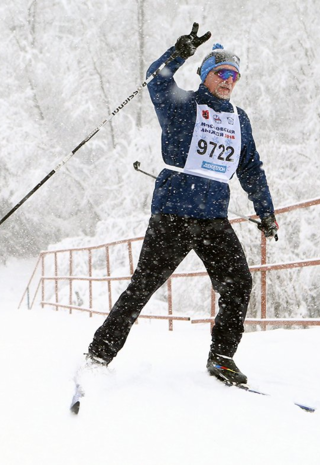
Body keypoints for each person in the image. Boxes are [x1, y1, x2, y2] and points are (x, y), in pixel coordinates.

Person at [83, 24, 278, 386]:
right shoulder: (183, 106)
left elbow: (250, 168)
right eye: (221, 73)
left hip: (213, 220)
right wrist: (180, 51)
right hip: (173, 214)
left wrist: (266, 210)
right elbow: (155, 78)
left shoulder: (239, 120)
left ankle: (222, 358)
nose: (229, 81)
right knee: (143, 286)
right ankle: (100, 352)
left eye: (234, 75)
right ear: (206, 77)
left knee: (239, 283)